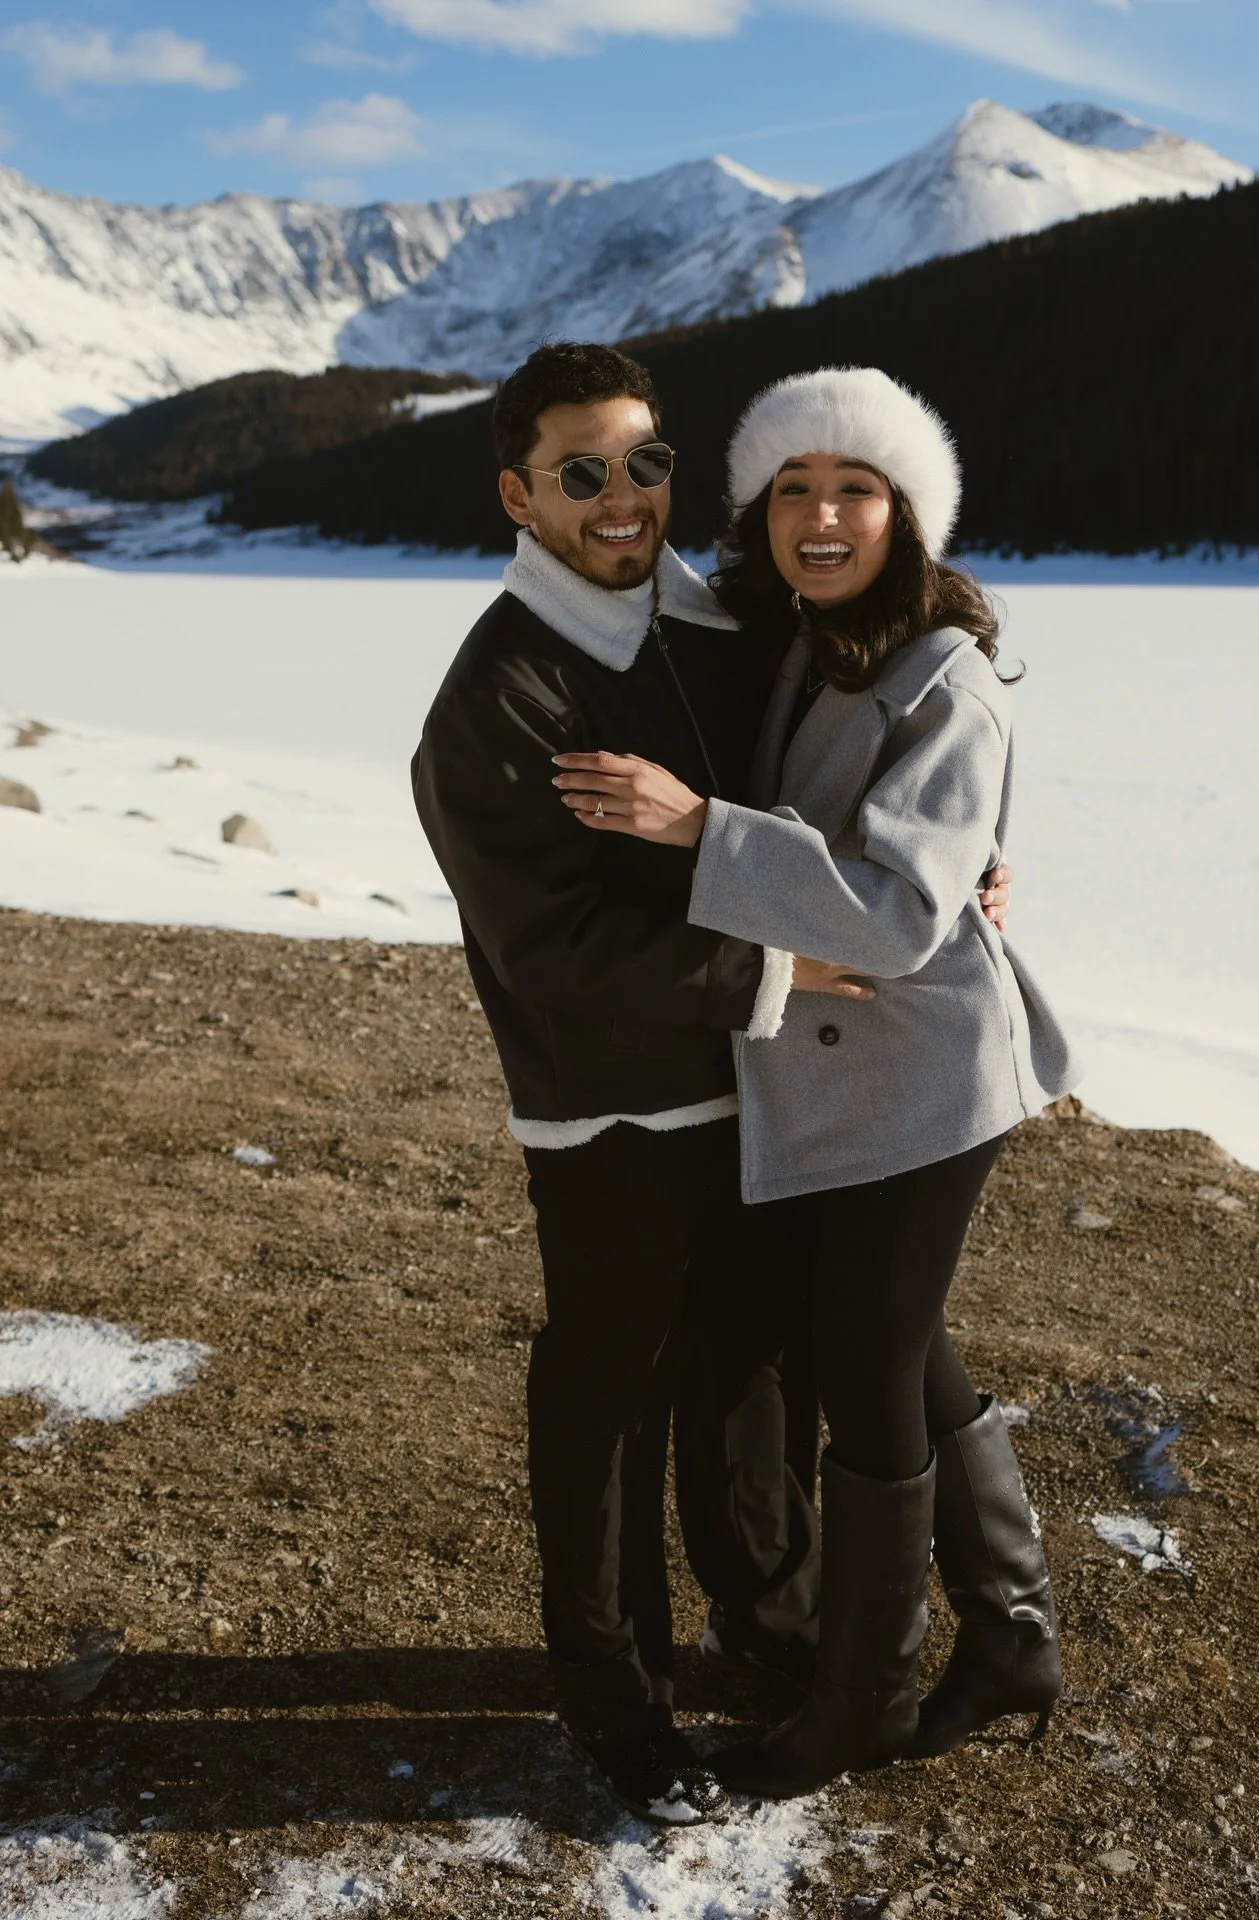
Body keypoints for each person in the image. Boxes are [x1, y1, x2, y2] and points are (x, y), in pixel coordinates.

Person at [411, 343, 1013, 1822]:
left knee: (748, 1378)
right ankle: (616, 1693)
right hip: (611, 1103)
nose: (623, 497)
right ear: (518, 492)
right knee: (610, 1394)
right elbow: (552, 949)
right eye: (581, 471)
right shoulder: (499, 692)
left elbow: (858, 787)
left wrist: (971, 865)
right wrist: (780, 973)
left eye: (646, 462)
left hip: (763, 1094)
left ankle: (780, 1617)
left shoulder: (729, 624)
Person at [552, 366, 1079, 1798]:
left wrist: (696, 828)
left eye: (855, 488)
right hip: (821, 1070)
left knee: (863, 1368)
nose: (822, 515)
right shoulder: (785, 636)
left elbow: (901, 918)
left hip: (919, 1075)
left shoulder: (941, 679)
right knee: (904, 1349)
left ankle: (864, 1697)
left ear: (909, 515)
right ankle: (1013, 1638)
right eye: (793, 489)